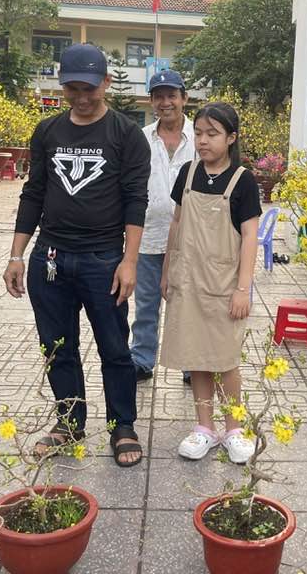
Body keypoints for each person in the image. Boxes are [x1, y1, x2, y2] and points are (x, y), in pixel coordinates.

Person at [3, 44, 150, 468]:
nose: (82, 97)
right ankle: (69, 421)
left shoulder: (125, 134)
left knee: (114, 348)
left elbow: (134, 200)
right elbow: (33, 194)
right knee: (57, 346)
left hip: (104, 259)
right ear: (62, 85)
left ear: (106, 82)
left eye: (90, 88)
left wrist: (130, 260)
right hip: (50, 258)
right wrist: (17, 255)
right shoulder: (48, 131)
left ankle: (122, 424)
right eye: (72, 88)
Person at [159, 102, 261, 464]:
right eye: (199, 133)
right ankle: (204, 428)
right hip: (188, 281)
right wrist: (168, 270)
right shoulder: (187, 173)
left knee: (225, 359)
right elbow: (176, 224)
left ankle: (234, 429)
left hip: (223, 284)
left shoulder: (243, 180)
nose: (202, 141)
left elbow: (250, 236)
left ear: (231, 138)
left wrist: (243, 288)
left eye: (212, 134)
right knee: (196, 356)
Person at [131, 70, 194, 382]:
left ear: (184, 98)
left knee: (188, 305)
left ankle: (190, 364)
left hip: (191, 240)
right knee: (146, 305)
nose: (165, 102)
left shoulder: (202, 136)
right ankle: (142, 360)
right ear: (151, 101)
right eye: (159, 96)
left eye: (172, 95)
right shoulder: (140, 138)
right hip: (147, 236)